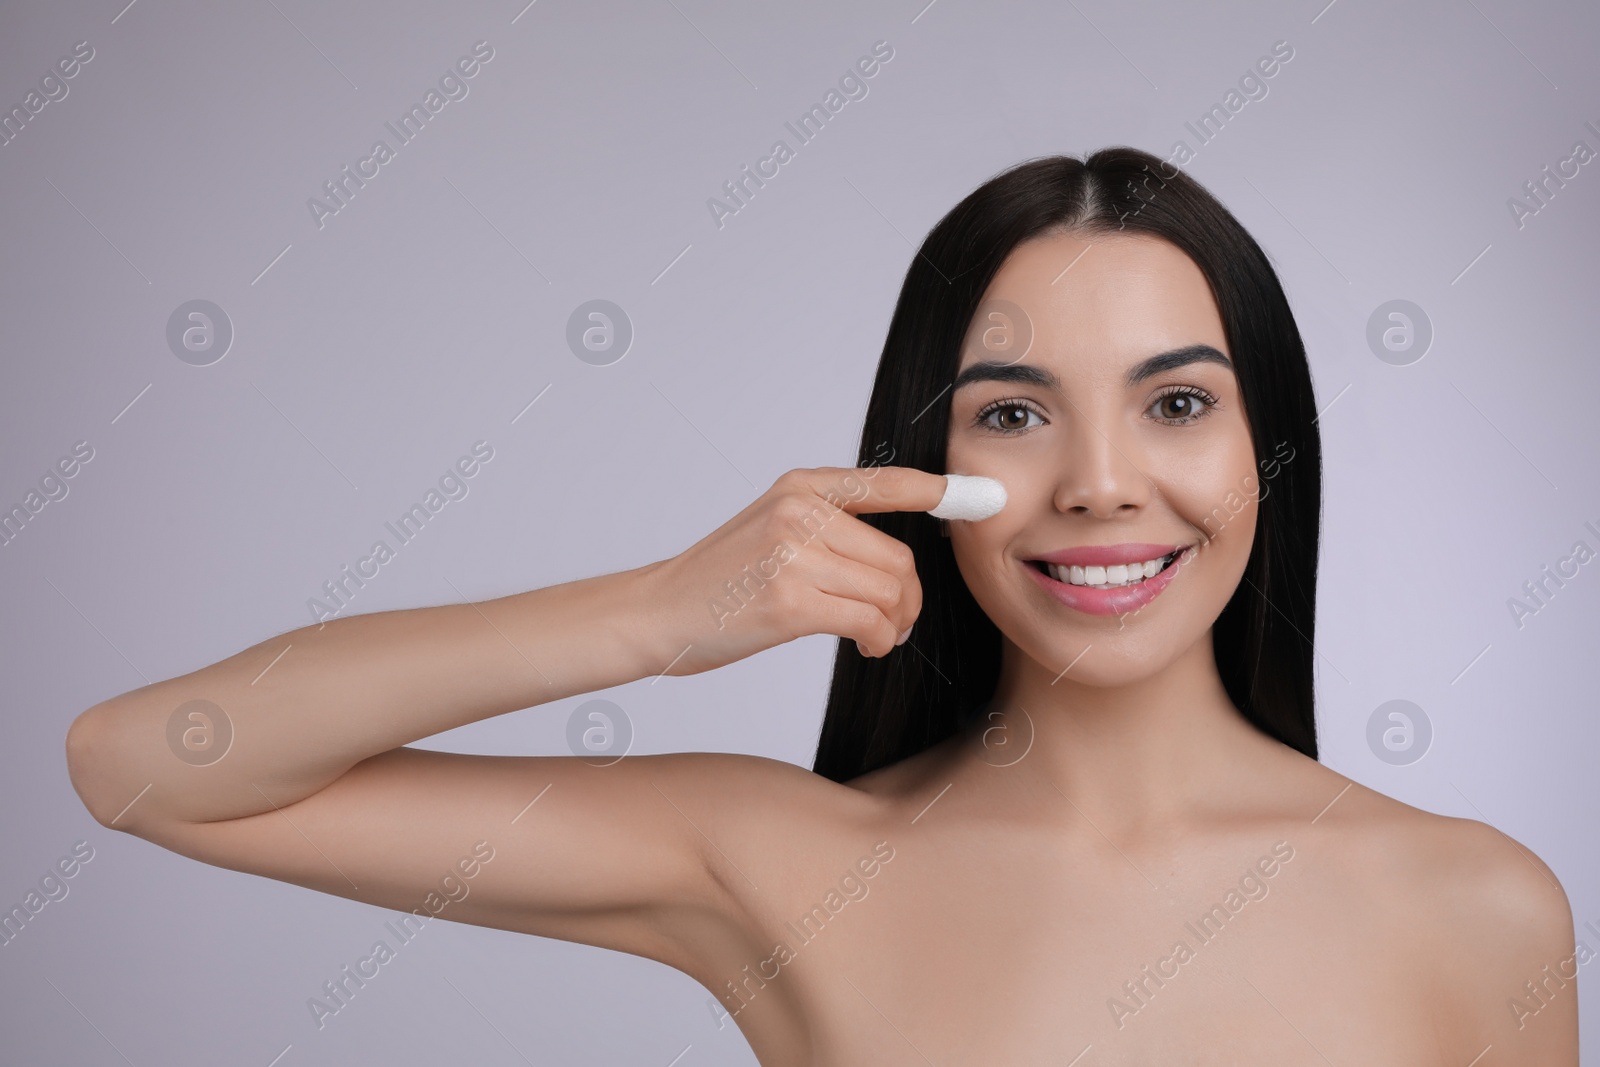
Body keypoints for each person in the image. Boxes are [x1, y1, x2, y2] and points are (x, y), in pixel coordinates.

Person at [65, 148, 1578, 1065]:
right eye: (1013, 414)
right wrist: (658, 614)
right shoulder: (786, 868)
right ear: (922, 461)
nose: (1101, 485)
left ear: (1269, 452)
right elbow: (140, 763)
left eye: (1177, 401)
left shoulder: (1481, 909)